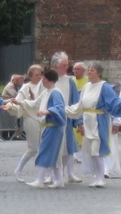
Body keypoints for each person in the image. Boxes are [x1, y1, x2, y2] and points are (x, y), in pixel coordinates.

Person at [66, 61, 121, 187]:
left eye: (92, 70)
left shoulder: (104, 86)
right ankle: (97, 176)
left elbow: (114, 101)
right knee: (90, 151)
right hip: (88, 119)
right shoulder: (87, 87)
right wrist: (67, 110)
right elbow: (80, 104)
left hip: (99, 120)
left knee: (97, 149)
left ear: (98, 72)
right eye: (88, 70)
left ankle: (101, 177)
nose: (89, 72)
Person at [11, 69, 66, 188]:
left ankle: (40, 180)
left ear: (50, 80)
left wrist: (47, 111)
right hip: (48, 127)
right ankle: (59, 180)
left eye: (44, 79)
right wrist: (20, 102)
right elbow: (35, 104)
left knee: (45, 151)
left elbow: (59, 108)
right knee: (55, 153)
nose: (42, 81)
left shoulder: (55, 93)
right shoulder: (46, 92)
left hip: (53, 127)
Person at [1, 65, 45, 182]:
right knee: (33, 148)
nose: (39, 76)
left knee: (44, 147)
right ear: (30, 76)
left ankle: (44, 174)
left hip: (42, 119)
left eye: (41, 74)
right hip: (31, 118)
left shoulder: (44, 86)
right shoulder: (26, 87)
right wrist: (10, 107)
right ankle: (18, 169)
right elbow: (17, 100)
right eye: (36, 74)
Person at [50, 52, 82, 184]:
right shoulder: (49, 80)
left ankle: (68, 173)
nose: (66, 67)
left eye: (67, 64)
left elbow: (76, 102)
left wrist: (79, 121)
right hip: (52, 118)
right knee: (54, 147)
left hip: (67, 118)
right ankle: (53, 174)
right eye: (64, 65)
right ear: (56, 66)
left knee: (68, 147)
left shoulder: (70, 81)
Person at [72, 62, 88, 162]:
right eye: (74, 69)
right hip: (74, 109)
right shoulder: (71, 81)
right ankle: (75, 153)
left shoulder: (87, 81)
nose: (75, 71)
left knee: (83, 131)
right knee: (74, 132)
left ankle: (84, 154)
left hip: (85, 110)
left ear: (83, 71)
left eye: (78, 69)